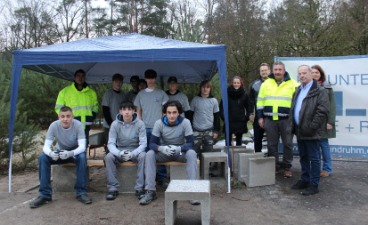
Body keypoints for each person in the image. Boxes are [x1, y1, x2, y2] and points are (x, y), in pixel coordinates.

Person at [30, 106, 92, 208]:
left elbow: (82, 147)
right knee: (42, 158)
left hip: (74, 153)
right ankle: (45, 194)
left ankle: (81, 192)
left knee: (82, 157)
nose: (65, 119)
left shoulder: (78, 125)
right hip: (60, 152)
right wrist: (51, 153)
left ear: (72, 117)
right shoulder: (54, 126)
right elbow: (46, 146)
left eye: (68, 116)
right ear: (59, 117)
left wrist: (70, 153)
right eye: (62, 116)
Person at [139, 101, 198, 205]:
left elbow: (191, 143)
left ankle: (192, 192)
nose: (171, 115)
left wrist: (179, 148)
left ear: (179, 113)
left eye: (174, 112)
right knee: (149, 154)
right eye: (169, 112)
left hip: (180, 152)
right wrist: (161, 148)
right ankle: (150, 191)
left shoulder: (185, 122)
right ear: (165, 113)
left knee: (192, 153)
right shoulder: (159, 123)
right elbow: (152, 144)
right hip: (165, 152)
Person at [290, 65, 329, 195]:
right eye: (300, 73)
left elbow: (322, 111)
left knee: (314, 158)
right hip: (300, 131)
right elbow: (294, 109)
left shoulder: (320, 90)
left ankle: (314, 184)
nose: (302, 76)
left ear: (311, 74)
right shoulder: (298, 90)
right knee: (303, 157)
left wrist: (312, 127)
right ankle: (304, 180)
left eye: (305, 73)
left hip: (311, 132)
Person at [257, 62, 298, 177]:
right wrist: (260, 117)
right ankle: (273, 166)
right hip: (270, 119)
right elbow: (260, 102)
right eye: (275, 69)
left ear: (284, 71)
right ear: (272, 71)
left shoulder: (293, 84)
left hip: (287, 120)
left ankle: (287, 167)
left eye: (280, 69)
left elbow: (298, 103)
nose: (278, 72)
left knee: (288, 144)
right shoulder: (266, 84)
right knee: (271, 144)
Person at [134, 69, 169, 188]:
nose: (150, 80)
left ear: (155, 79)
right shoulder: (140, 94)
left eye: (152, 78)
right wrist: (140, 125)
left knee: (159, 152)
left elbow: (165, 112)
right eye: (148, 78)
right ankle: (147, 176)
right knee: (145, 153)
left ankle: (162, 177)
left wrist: (163, 124)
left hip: (158, 128)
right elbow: (138, 111)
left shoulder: (161, 93)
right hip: (145, 129)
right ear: (145, 79)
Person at [104, 101, 147, 200]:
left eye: (129, 109)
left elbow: (143, 143)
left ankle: (139, 188)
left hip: (135, 150)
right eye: (124, 110)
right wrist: (119, 153)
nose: (126, 112)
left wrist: (133, 153)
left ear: (133, 111)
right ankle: (112, 188)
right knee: (108, 157)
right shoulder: (115, 124)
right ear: (120, 111)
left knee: (144, 156)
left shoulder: (140, 124)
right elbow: (111, 143)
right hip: (120, 151)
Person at [55, 69, 98, 146]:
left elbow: (95, 106)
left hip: (85, 126)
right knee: (70, 146)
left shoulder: (91, 92)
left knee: (83, 147)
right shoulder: (64, 92)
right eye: (78, 76)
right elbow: (58, 108)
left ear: (85, 78)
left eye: (82, 76)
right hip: (70, 126)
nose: (80, 78)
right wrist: (65, 119)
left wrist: (93, 115)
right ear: (74, 78)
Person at [311, 65, 336, 177]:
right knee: (313, 146)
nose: (315, 74)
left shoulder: (327, 88)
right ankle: (315, 168)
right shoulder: (307, 87)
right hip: (312, 122)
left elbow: (333, 106)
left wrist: (330, 122)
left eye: (317, 72)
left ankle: (327, 169)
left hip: (324, 121)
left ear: (321, 74)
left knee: (323, 145)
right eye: (313, 72)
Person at [190, 80, 220, 155]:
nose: (205, 89)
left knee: (208, 153)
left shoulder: (214, 101)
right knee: (194, 152)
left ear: (210, 89)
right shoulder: (195, 100)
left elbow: (217, 116)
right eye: (203, 87)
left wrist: (216, 130)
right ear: (200, 88)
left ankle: (207, 167)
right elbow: (190, 115)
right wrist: (189, 129)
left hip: (209, 130)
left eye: (207, 87)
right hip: (196, 130)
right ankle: (195, 166)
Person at [220, 76, 251, 146]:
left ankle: (238, 156)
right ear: (232, 83)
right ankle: (228, 156)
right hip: (229, 121)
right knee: (228, 143)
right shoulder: (226, 94)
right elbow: (221, 106)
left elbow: (249, 107)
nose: (236, 84)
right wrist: (224, 117)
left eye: (238, 83)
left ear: (241, 84)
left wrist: (246, 117)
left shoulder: (244, 94)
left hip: (240, 121)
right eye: (234, 83)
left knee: (239, 143)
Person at [249, 63, 271, 152]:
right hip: (258, 115)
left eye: (265, 70)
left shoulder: (275, 83)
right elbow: (250, 101)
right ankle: (258, 156)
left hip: (271, 115)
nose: (264, 72)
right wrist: (250, 113)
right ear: (260, 72)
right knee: (257, 138)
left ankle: (272, 157)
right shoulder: (254, 84)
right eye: (262, 71)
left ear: (269, 71)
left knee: (272, 139)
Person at [102, 73, 125, 151]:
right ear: (112, 82)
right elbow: (105, 110)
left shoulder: (123, 94)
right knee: (110, 146)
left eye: (120, 81)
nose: (118, 83)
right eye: (116, 81)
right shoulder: (108, 93)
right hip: (109, 126)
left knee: (120, 146)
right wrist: (111, 124)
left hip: (121, 125)